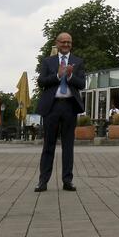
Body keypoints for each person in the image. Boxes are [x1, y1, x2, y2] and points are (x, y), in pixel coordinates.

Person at [34, 32, 85, 192]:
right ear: (57, 43)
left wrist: (69, 76)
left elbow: (82, 84)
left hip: (70, 107)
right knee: (48, 145)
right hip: (52, 107)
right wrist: (58, 75)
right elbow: (41, 81)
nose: (66, 45)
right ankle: (43, 181)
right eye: (63, 42)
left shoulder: (78, 62)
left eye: (69, 42)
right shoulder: (48, 61)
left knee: (68, 146)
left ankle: (67, 181)